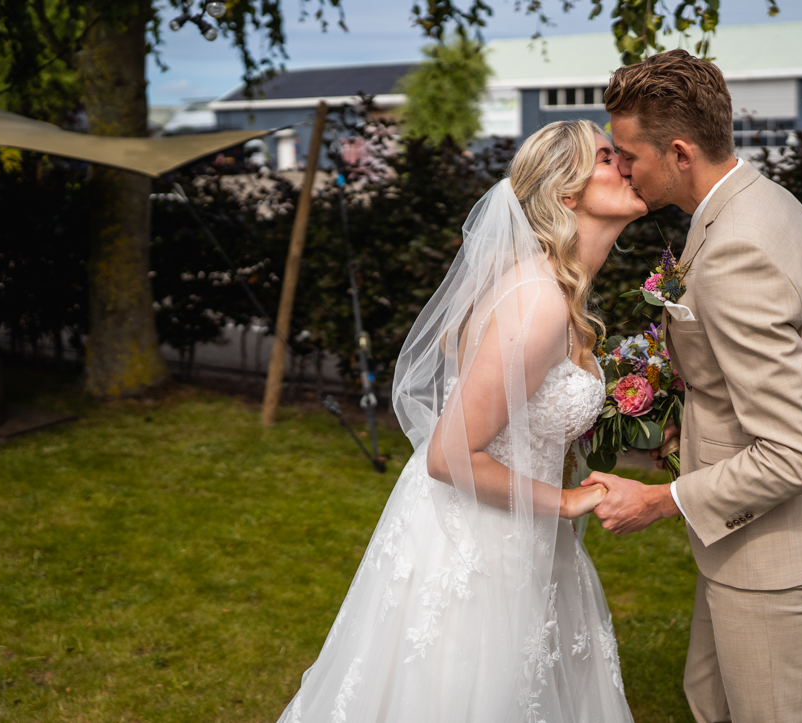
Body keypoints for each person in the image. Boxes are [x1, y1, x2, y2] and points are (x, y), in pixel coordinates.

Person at [277, 120, 648, 723]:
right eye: (607, 157)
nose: (627, 163)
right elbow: (449, 455)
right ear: (565, 194)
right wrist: (566, 501)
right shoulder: (538, 301)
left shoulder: (558, 291)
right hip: (477, 540)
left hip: (518, 525)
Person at [583, 49, 802, 723]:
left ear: (680, 153)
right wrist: (695, 409)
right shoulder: (766, 201)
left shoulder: (738, 251)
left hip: (772, 551)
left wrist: (660, 499)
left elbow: (793, 455)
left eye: (629, 155)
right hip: (748, 537)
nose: (621, 167)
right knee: (708, 697)